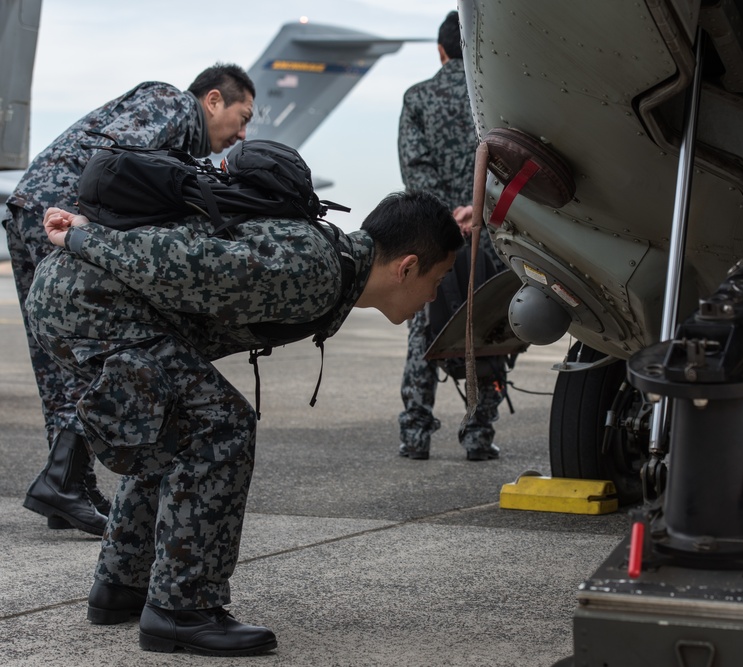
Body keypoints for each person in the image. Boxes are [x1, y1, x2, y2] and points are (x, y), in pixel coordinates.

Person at [26, 189, 462, 655]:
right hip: (85, 304)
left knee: (175, 423)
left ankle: (122, 584)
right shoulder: (312, 268)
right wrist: (82, 237)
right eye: (439, 279)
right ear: (407, 267)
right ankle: (183, 609)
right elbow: (181, 260)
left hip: (81, 300)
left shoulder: (327, 266)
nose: (436, 295)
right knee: (220, 425)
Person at [2, 63, 256, 536]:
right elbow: (113, 157)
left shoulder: (181, 135)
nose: (242, 133)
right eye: (242, 117)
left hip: (38, 211)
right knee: (113, 353)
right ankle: (64, 481)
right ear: (214, 99)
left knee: (65, 363)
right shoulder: (171, 103)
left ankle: (69, 489)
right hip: (63, 217)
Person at [397, 10, 507, 462]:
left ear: (440, 50)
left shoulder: (418, 98)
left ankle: (416, 436)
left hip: (435, 238)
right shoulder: (497, 95)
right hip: (493, 233)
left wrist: (448, 218)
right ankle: (479, 436)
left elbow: (414, 173)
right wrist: (477, 211)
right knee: (491, 329)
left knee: (424, 331)